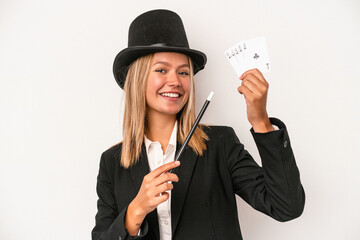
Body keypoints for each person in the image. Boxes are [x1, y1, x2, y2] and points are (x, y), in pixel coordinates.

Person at [92, 9, 305, 240]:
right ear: (137, 79)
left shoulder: (220, 145)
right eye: (162, 70)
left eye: (184, 72)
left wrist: (261, 121)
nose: (175, 81)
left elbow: (286, 207)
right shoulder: (112, 163)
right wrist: (136, 210)